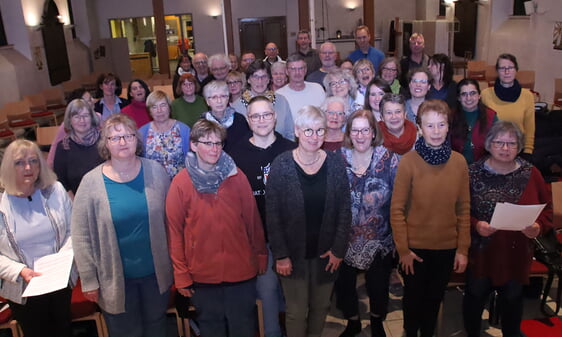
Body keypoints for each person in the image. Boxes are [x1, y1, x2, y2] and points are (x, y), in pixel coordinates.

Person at [72, 114, 173, 337]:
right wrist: (88, 280)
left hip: (155, 275)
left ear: (136, 139)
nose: (123, 142)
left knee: (157, 328)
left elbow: (170, 221)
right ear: (105, 143)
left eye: (127, 136)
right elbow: (80, 235)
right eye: (115, 137)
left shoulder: (155, 171)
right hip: (115, 280)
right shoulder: (91, 182)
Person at [166, 119, 267, 337]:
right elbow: (174, 233)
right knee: (212, 329)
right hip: (202, 275)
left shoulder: (236, 176)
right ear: (193, 145)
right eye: (208, 143)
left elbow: (252, 220)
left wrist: (260, 254)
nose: (214, 149)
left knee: (243, 327)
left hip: (241, 271)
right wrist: (181, 274)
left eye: (218, 143)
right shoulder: (180, 183)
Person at [266, 105, 351, 337]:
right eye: (308, 131)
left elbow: (345, 210)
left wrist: (338, 249)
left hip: (327, 254)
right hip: (292, 255)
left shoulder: (335, 164)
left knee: (321, 307)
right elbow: (272, 215)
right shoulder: (281, 165)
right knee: (295, 311)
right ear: (297, 131)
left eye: (320, 130)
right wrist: (281, 255)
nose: (315, 137)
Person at [463, 121, 552, 337]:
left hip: (515, 252)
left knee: (513, 300)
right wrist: (476, 225)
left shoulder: (532, 174)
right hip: (481, 251)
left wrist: (538, 226)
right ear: (488, 144)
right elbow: (459, 211)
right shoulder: (472, 173)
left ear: (520, 146)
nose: (505, 148)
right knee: (475, 297)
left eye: (511, 143)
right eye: (499, 142)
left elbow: (547, 210)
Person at [390, 99, 470, 337]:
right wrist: (403, 249)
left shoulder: (459, 162)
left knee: (434, 301)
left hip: (446, 248)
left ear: (448, 127)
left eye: (441, 125)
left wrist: (462, 249)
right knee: (413, 302)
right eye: (430, 126)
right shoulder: (408, 162)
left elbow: (464, 209)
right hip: (414, 250)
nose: (436, 131)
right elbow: (396, 210)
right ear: (420, 128)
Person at [229, 96, 297, 337]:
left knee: (292, 295)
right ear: (248, 120)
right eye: (256, 116)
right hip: (256, 239)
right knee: (266, 292)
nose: (262, 120)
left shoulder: (291, 149)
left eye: (266, 114)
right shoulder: (235, 154)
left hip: (290, 238)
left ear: (275, 116)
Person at [0, 140, 74, 337]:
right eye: (19, 162)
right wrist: (20, 271)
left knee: (63, 331)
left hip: (59, 280)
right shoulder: (1, 202)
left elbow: (73, 230)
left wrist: (61, 261)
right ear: (9, 166)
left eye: (33, 161)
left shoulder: (55, 190)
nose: (28, 168)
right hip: (23, 287)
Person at [335, 109, 399, 337]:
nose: (360, 135)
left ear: (373, 133)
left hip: (379, 238)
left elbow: (398, 201)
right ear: (349, 133)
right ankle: (352, 322)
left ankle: (377, 322)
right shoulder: (337, 158)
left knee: (378, 288)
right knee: (344, 287)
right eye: (355, 130)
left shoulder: (389, 160)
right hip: (343, 237)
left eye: (365, 130)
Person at [481, 53, 535, 157]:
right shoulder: (486, 94)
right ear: (497, 71)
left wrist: (528, 150)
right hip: (493, 149)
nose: (506, 72)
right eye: (502, 68)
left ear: (516, 70)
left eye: (510, 67)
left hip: (518, 149)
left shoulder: (527, 96)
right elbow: (482, 127)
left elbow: (530, 127)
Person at [231, 60, 295, 140]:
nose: (260, 81)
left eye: (264, 76)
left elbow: (290, 133)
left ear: (269, 79)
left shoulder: (281, 101)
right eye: (255, 76)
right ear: (248, 80)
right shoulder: (236, 107)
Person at [53, 98, 103, 197]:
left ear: (92, 117)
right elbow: (62, 182)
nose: (82, 120)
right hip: (77, 200)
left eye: (86, 116)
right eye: (76, 116)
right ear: (69, 120)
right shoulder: (63, 147)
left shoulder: (105, 140)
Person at [139, 90, 191, 178]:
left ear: (169, 107)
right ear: (149, 111)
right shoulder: (142, 132)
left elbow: (192, 161)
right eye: (154, 107)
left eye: (163, 105)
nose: (159, 110)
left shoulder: (184, 130)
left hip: (179, 183)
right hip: (153, 184)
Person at [451, 79, 498, 164]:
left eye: (473, 93)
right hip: (456, 166)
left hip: (485, 167)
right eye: (464, 94)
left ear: (479, 95)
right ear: (458, 98)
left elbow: (497, 146)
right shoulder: (450, 117)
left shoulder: (491, 117)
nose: (469, 98)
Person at [47, 88, 97, 168]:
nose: (94, 100)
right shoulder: (64, 141)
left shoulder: (99, 118)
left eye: (86, 116)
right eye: (89, 100)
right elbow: (53, 154)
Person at [202, 80, 251, 152]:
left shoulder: (239, 120)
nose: (219, 101)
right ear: (207, 101)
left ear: (228, 99)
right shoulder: (202, 123)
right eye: (214, 97)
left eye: (223, 96)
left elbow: (246, 147)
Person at [277, 55, 326, 122]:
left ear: (305, 70)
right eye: (293, 69)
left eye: (300, 68)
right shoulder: (279, 95)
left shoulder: (318, 89)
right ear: (287, 71)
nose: (297, 72)